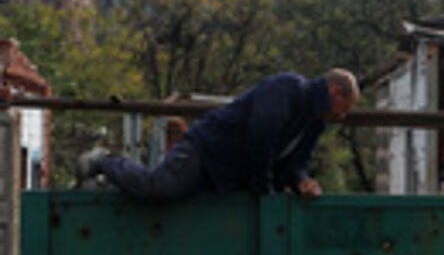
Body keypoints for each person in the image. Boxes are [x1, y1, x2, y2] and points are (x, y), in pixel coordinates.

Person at [78, 69, 359, 201]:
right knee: (161, 187)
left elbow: (296, 162)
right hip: (206, 150)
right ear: (335, 92)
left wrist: (302, 181)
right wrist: (264, 189)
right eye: (343, 108)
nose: (342, 116)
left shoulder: (312, 124)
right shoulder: (287, 89)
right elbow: (262, 135)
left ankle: (109, 183)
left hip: (228, 175)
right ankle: (105, 162)